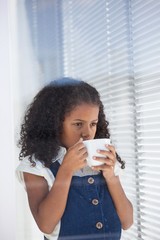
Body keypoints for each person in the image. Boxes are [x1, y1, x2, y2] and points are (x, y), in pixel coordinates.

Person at [16, 77, 133, 240]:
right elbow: (46, 225)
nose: (87, 133)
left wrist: (111, 176)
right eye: (78, 124)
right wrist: (66, 170)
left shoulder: (103, 160)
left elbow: (127, 222)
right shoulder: (36, 166)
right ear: (54, 124)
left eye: (93, 124)